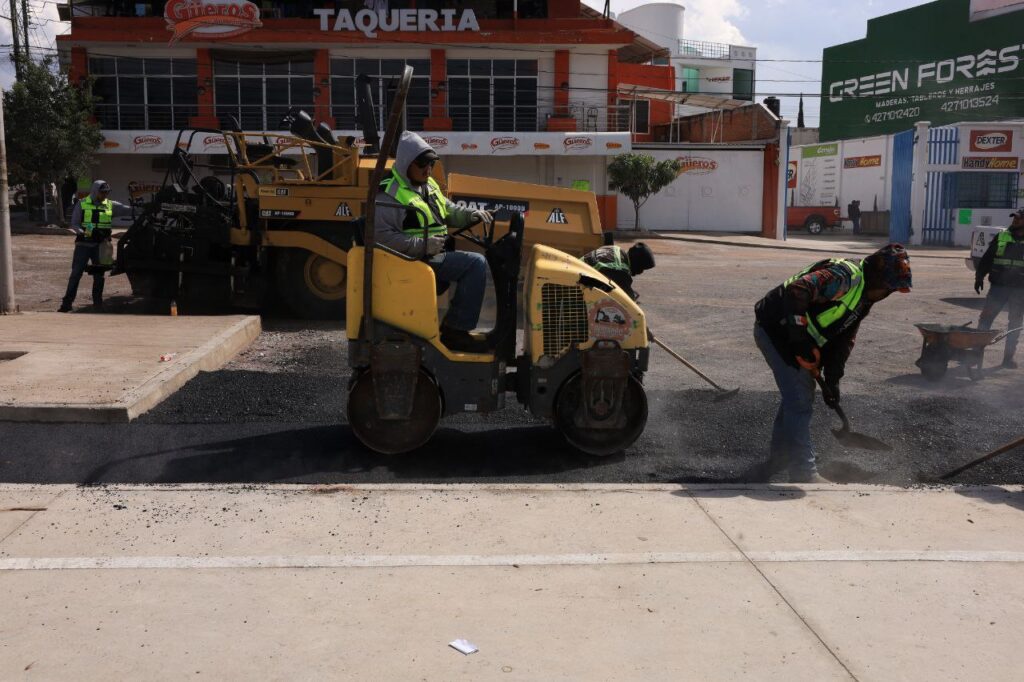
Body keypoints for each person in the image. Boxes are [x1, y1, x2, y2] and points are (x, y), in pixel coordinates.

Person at [753, 244, 912, 483]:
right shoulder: (845, 276)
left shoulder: (864, 298)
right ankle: (803, 472)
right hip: (776, 330)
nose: (887, 294)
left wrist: (833, 379)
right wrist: (800, 340)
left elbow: (844, 339)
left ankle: (780, 457)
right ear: (877, 278)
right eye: (887, 288)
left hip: (796, 338)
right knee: (799, 401)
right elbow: (797, 291)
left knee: (796, 396)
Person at [375, 131, 493, 352]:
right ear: (406, 163)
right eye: (422, 164)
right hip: (410, 260)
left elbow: (448, 211)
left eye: (430, 164)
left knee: (477, 261)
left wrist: (471, 215)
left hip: (432, 254)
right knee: (475, 264)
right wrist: (422, 245)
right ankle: (455, 331)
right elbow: (381, 237)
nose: (427, 170)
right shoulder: (389, 193)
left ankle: (455, 326)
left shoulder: (428, 186)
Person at [58, 180, 131, 312]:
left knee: (99, 275)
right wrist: (85, 233)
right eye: (102, 193)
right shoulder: (82, 203)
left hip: (102, 246)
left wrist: (144, 207)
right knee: (76, 273)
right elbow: (74, 224)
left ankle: (97, 304)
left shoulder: (110, 205)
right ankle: (66, 304)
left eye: (107, 193)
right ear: (95, 191)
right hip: (83, 245)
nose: (105, 195)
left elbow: (128, 210)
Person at [975, 209, 1024, 369]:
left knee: (1015, 323)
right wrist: (979, 276)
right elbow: (988, 257)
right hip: (998, 287)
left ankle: (1008, 359)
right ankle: (976, 354)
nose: (1014, 220)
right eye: (1014, 218)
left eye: (1018, 218)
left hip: (1019, 290)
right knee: (986, 319)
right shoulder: (1002, 236)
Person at [580, 242, 655, 301]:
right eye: (641, 268)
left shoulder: (615, 249)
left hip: (576, 272)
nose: (641, 272)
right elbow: (628, 300)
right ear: (636, 263)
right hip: (577, 291)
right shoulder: (620, 271)